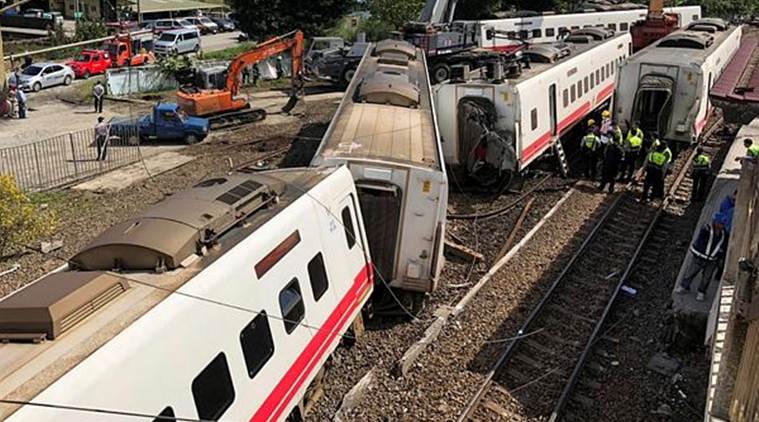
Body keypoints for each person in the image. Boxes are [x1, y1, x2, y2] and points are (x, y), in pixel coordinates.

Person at [675, 213, 728, 301]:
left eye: (723, 224)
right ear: (715, 222)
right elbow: (701, 242)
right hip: (699, 257)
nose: (722, 226)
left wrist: (720, 256)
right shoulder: (706, 229)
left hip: (712, 260)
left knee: (707, 277)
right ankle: (684, 286)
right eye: (720, 223)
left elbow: (723, 246)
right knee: (691, 272)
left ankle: (701, 291)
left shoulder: (724, 234)